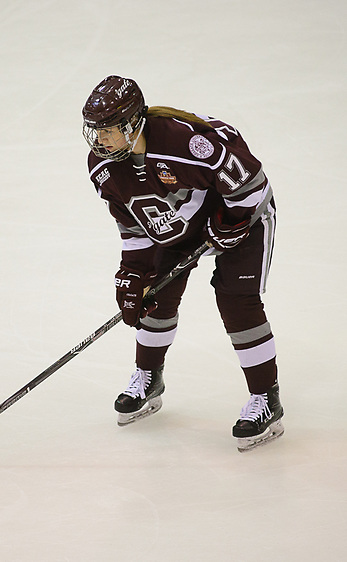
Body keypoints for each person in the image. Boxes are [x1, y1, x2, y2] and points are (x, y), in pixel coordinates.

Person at [81, 75, 284, 452]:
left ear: (132, 124)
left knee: (238, 303)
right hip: (182, 226)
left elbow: (251, 186)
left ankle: (265, 399)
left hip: (244, 217)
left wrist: (232, 222)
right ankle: (148, 376)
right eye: (95, 131)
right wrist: (134, 273)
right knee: (154, 297)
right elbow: (134, 223)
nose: (100, 140)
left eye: (107, 130)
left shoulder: (187, 143)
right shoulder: (103, 167)